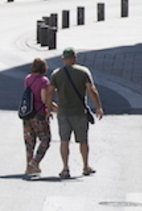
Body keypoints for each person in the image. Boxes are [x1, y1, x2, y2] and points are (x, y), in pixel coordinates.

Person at [50, 47, 105, 178]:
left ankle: (65, 168)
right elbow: (91, 90)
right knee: (83, 141)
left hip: (63, 112)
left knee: (64, 141)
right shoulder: (83, 72)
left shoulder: (56, 74)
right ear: (75, 58)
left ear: (63, 59)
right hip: (79, 112)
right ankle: (85, 166)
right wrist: (98, 107)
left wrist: (49, 108)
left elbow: (50, 91)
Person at [23, 58, 56, 176]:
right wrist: (51, 109)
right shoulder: (43, 81)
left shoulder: (28, 79)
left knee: (29, 141)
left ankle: (29, 166)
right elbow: (44, 99)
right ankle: (35, 162)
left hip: (27, 113)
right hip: (39, 114)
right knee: (45, 139)